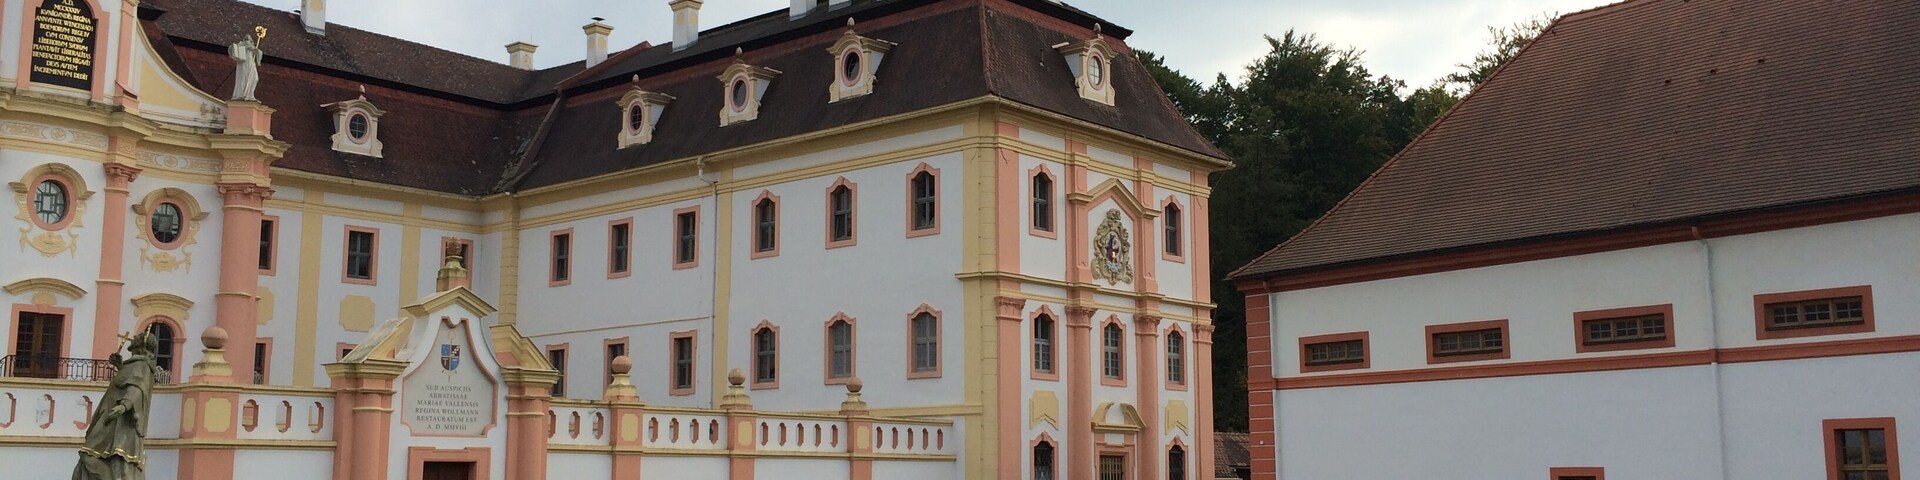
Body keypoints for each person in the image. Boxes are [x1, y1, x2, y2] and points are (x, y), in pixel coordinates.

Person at [71, 332, 163, 480]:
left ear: (140, 344)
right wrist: (120, 366)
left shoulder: (141, 365)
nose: (134, 337)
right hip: (112, 416)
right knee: (94, 453)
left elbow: (137, 388)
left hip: (119, 421)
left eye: (137, 337)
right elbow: (127, 381)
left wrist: (124, 406)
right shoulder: (135, 364)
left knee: (100, 454)